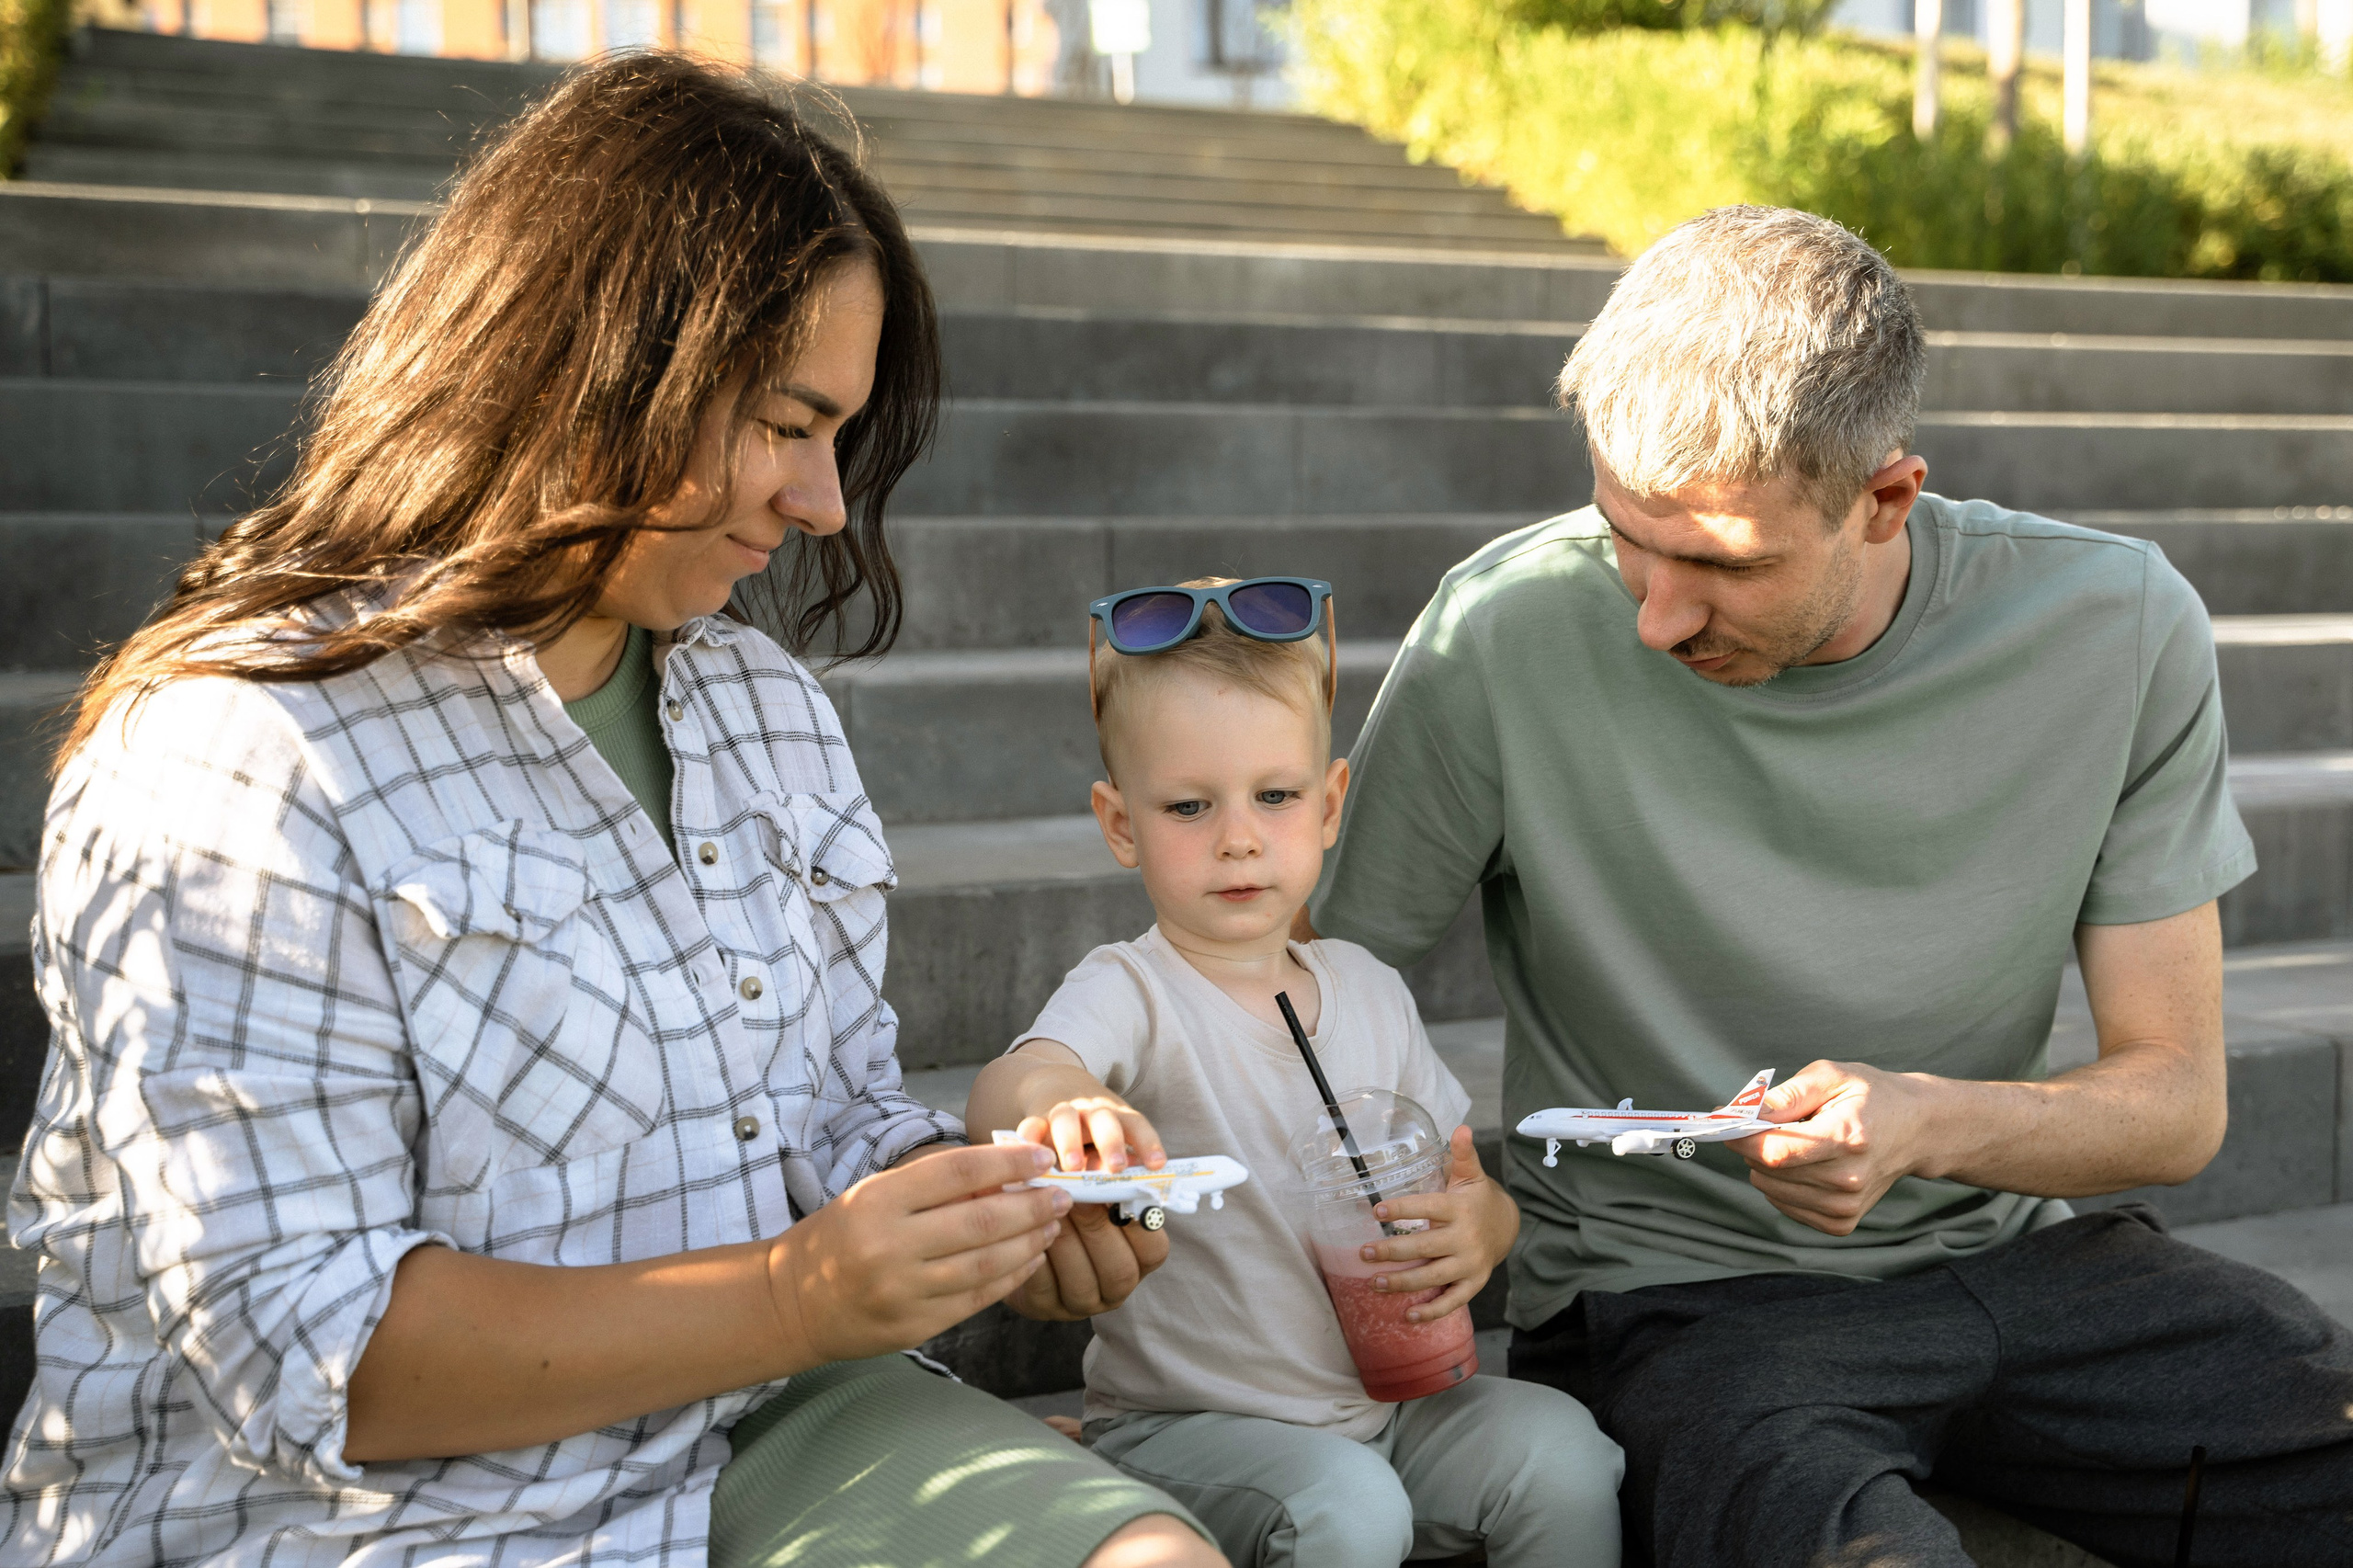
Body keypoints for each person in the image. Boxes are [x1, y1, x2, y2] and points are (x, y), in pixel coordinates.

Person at [3, 54, 1220, 1568]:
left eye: (837, 437)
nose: (828, 504)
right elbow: (306, 1356)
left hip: (758, 1422)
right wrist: (798, 1292)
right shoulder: (239, 753)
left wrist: (985, 1203)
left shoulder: (764, 712)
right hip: (364, 1515)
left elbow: (824, 1109)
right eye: (789, 423)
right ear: (603, 372)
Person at [1307, 205, 2353, 1565]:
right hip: (1681, 1300)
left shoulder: (2121, 624)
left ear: (1885, 500)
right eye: (1630, 534)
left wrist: (1923, 1119)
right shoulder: (1505, 627)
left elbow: (2175, 1100)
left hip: (2034, 1269)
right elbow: (1302, 999)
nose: (1655, 615)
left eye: (1724, 564)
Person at [966, 579, 1624, 1567]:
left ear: (1329, 805)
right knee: (1350, 1509)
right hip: (1193, 1424)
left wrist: (1485, 1224)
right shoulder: (1132, 990)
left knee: (1564, 1451)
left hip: (1390, 1400)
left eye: (1274, 795)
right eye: (1189, 805)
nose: (1237, 833)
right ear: (1120, 824)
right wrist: (1060, 1102)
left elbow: (1459, 1171)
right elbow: (1018, 1078)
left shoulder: (1367, 985)